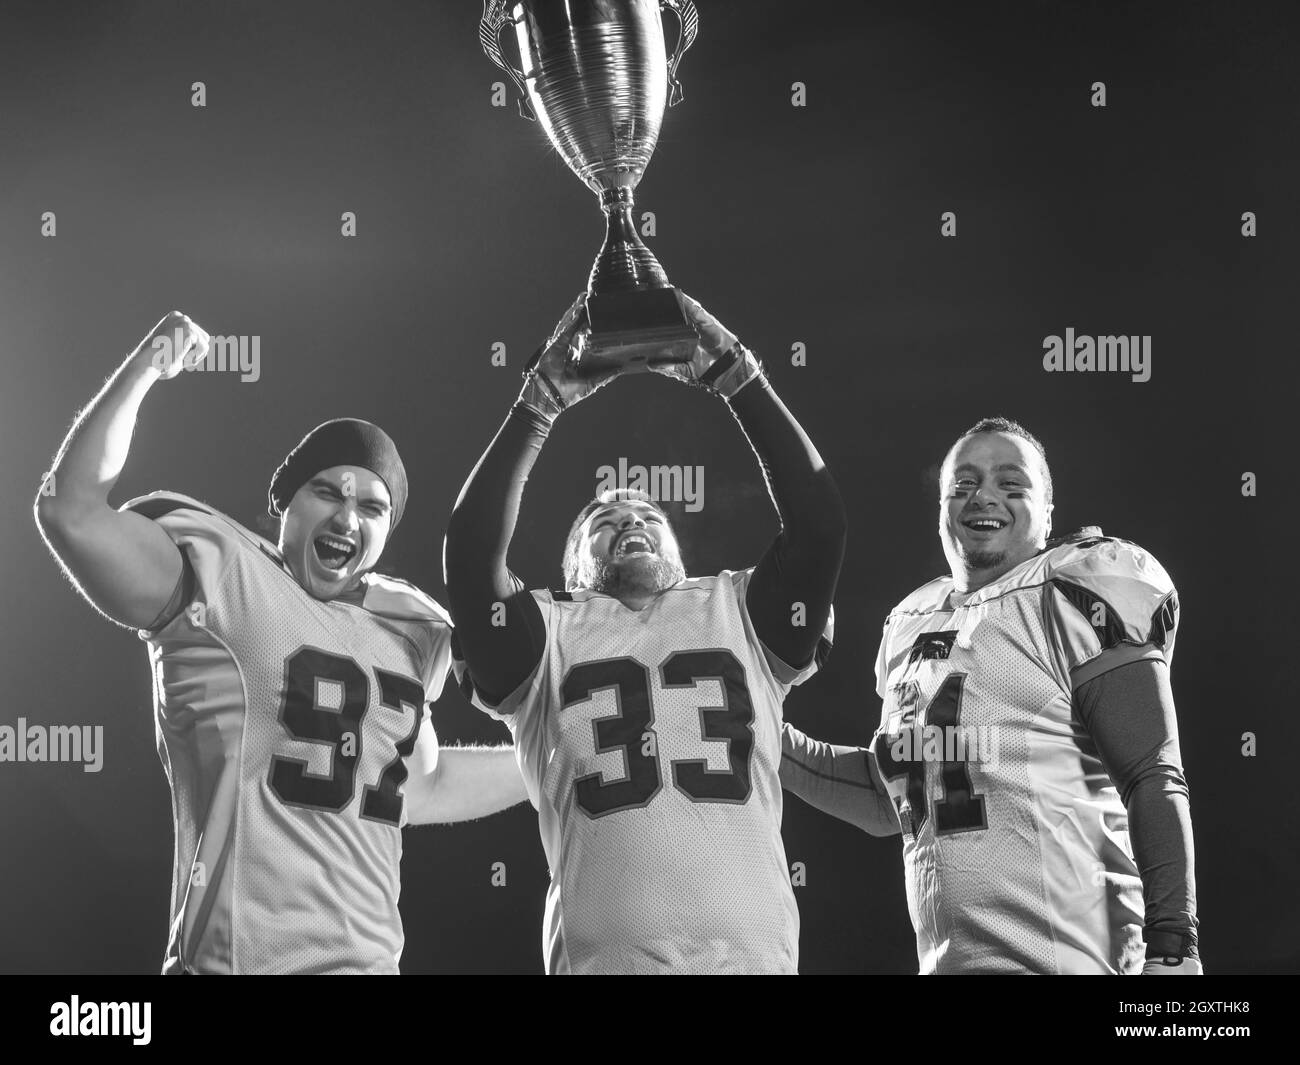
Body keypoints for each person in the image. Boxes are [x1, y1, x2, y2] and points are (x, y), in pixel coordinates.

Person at [34, 311, 526, 974]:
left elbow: (426, 785)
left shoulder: (407, 628)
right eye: (326, 492)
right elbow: (69, 511)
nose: (347, 516)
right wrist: (147, 365)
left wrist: (552, 757)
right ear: (284, 505)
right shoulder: (218, 571)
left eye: (372, 507)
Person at [444, 293, 846, 973]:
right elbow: (470, 551)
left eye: (648, 516)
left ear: (681, 551)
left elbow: (820, 523)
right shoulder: (547, 633)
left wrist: (737, 375)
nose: (629, 519)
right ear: (573, 568)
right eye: (602, 521)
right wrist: (538, 402)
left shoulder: (737, 609)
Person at [780, 417, 1199, 975]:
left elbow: (1152, 774)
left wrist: (1173, 945)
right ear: (941, 508)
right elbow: (895, 800)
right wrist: (769, 737)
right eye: (964, 483)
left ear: (1047, 512)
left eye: (1011, 483)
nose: (984, 496)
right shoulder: (911, 622)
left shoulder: (1071, 590)